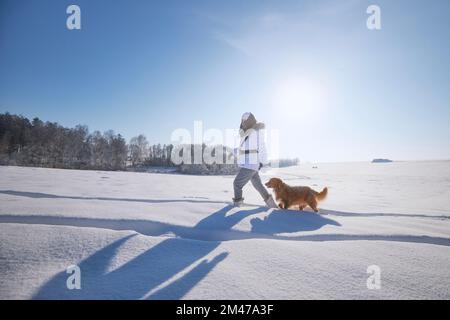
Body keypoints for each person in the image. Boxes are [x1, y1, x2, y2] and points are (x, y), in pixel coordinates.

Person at [233, 112, 278, 208]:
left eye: (247, 120)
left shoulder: (257, 131)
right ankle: (271, 204)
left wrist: (264, 162)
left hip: (251, 164)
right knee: (258, 185)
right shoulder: (244, 134)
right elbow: (244, 149)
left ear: (251, 120)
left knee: (237, 183)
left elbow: (262, 146)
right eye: (243, 120)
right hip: (248, 163)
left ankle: (237, 204)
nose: (244, 122)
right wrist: (235, 152)